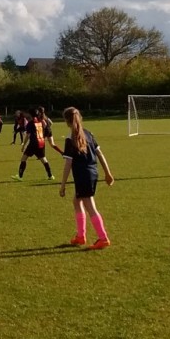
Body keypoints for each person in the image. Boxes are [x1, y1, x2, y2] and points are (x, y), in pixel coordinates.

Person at [59, 107, 112, 249]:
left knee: (90, 207)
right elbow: (100, 154)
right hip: (92, 173)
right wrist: (107, 173)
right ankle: (81, 236)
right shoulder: (88, 133)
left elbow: (68, 163)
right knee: (77, 202)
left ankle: (103, 238)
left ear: (66, 121)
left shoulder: (70, 138)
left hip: (83, 176)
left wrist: (62, 185)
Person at [12, 107, 55, 181]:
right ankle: (50, 175)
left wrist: (24, 145)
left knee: (24, 158)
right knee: (43, 159)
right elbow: (47, 128)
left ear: (30, 115)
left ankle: (20, 176)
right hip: (41, 142)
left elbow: (28, 136)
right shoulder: (41, 121)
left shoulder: (30, 123)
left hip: (33, 143)